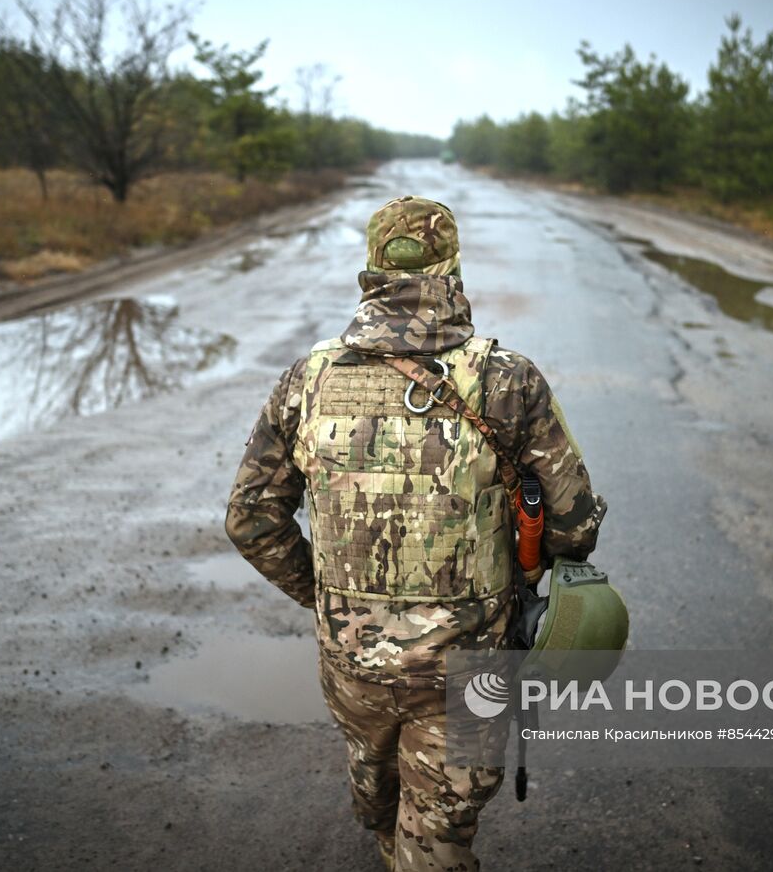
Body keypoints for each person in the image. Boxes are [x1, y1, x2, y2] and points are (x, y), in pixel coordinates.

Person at [226, 195, 606, 870]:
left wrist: (326, 599)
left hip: (353, 666)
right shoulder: (507, 381)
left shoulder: (307, 381)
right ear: (453, 268)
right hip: (470, 671)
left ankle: (382, 826)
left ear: (371, 270)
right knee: (436, 837)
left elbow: (250, 517)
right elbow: (575, 524)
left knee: (375, 787)